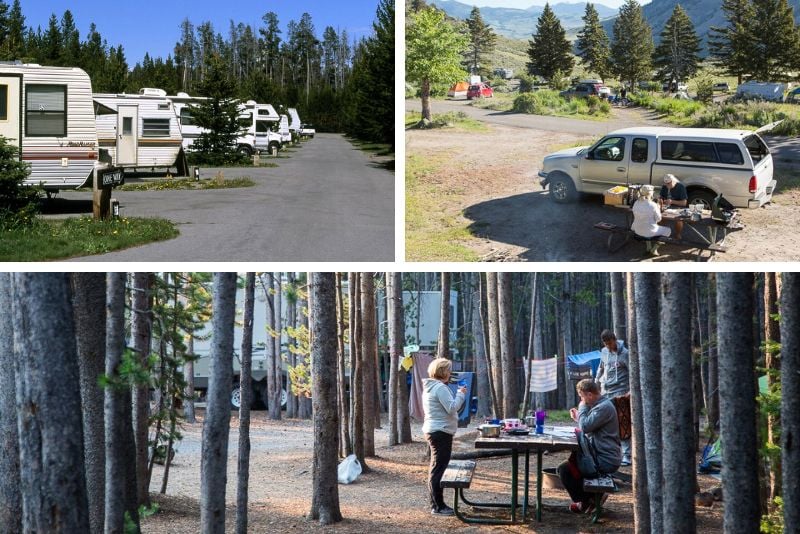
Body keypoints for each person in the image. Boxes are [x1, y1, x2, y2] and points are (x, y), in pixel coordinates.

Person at [558, 379, 620, 514]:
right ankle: (590, 499)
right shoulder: (600, 405)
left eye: (582, 396)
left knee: (564, 470)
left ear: (590, 395)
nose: (582, 399)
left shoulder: (604, 407)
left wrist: (582, 407)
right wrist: (579, 418)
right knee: (571, 464)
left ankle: (589, 500)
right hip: (597, 454)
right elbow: (587, 424)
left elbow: (585, 426)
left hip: (605, 459)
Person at [422, 358, 467, 516]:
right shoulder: (440, 387)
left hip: (437, 431)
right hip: (440, 432)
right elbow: (452, 407)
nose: (450, 373)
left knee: (436, 468)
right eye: (448, 370)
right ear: (442, 371)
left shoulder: (432, 386)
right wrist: (461, 395)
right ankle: (438, 506)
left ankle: (436, 504)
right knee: (438, 469)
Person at [596, 330, 631, 466]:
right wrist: (596, 381)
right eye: (606, 344)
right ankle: (608, 452)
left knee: (623, 422)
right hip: (606, 391)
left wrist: (630, 392)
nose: (609, 346)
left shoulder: (625, 354)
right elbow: (601, 367)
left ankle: (627, 455)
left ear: (614, 339)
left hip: (621, 392)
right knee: (605, 421)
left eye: (610, 342)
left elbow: (632, 372)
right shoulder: (604, 352)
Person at [631, 185, 670, 255]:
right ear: (650, 193)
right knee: (668, 231)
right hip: (648, 231)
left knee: (646, 226)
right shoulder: (653, 205)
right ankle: (654, 249)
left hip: (637, 229)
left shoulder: (636, 203)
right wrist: (657, 208)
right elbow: (658, 219)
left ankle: (648, 248)